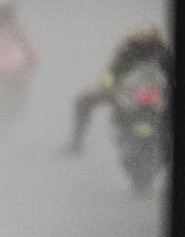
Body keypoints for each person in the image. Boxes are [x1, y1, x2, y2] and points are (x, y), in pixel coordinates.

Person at [67, 25, 171, 154]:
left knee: (83, 100)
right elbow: (111, 73)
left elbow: (112, 73)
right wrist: (104, 86)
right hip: (128, 94)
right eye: (141, 35)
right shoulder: (129, 51)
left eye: (146, 36)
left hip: (143, 98)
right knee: (83, 100)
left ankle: (76, 143)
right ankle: (77, 143)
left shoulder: (159, 53)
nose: (143, 39)